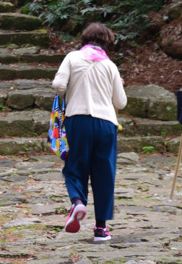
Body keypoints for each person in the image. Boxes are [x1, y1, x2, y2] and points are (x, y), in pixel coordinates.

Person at [52, 22, 127, 243]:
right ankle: (101, 229)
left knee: (75, 167)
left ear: (84, 39)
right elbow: (120, 102)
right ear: (107, 42)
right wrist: (119, 85)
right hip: (106, 124)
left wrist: (70, 91)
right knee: (105, 174)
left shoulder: (72, 58)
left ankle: (77, 202)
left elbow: (58, 85)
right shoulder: (110, 66)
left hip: (78, 120)